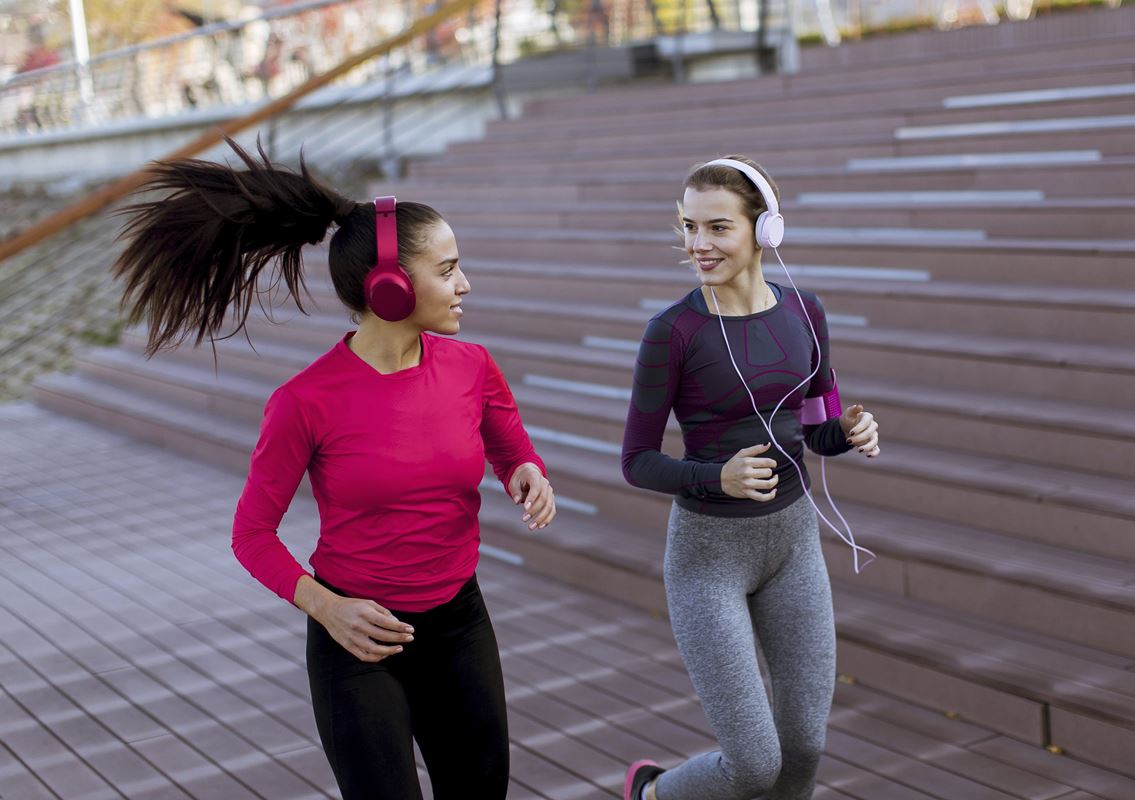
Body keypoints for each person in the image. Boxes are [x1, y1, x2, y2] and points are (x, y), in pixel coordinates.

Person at [111, 138, 557, 799]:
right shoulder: (305, 402)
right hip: (355, 643)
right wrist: (328, 610)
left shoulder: (473, 367)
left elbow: (509, 444)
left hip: (459, 625)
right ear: (391, 286)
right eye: (449, 269)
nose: (465, 284)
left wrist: (526, 470)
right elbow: (251, 535)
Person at [620, 155, 881, 800]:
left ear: (764, 230)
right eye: (688, 227)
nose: (698, 245)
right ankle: (651, 794)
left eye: (717, 228)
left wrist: (849, 432)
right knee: (756, 765)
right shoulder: (673, 332)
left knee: (804, 751)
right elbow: (636, 460)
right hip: (708, 560)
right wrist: (715, 478)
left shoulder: (806, 312)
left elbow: (815, 430)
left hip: (794, 546)